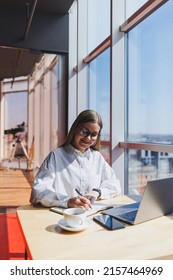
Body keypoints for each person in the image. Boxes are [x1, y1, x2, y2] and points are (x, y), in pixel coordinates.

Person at [30, 109, 121, 210]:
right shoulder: (56, 156)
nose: (88, 138)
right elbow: (38, 191)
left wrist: (96, 192)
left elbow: (115, 185)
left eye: (94, 134)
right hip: (63, 217)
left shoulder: (97, 157)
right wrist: (67, 201)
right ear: (75, 129)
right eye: (84, 131)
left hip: (90, 215)